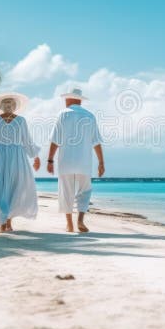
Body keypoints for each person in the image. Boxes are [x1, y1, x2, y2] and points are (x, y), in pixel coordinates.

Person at [0, 92, 41, 232]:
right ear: (1, 106)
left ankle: (8, 221)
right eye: (6, 103)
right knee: (0, 189)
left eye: (11, 104)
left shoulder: (21, 121)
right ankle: (3, 221)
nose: (8, 106)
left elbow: (27, 141)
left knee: (14, 188)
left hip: (17, 158)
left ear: (15, 106)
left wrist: (36, 157)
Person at [47, 87, 105, 233]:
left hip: (65, 161)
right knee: (85, 190)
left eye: (66, 98)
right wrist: (101, 162)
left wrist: (50, 160)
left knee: (66, 191)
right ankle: (80, 220)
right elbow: (96, 141)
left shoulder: (63, 114)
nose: (65, 101)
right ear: (80, 100)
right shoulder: (90, 116)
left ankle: (70, 225)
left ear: (71, 99)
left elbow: (55, 140)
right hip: (84, 162)